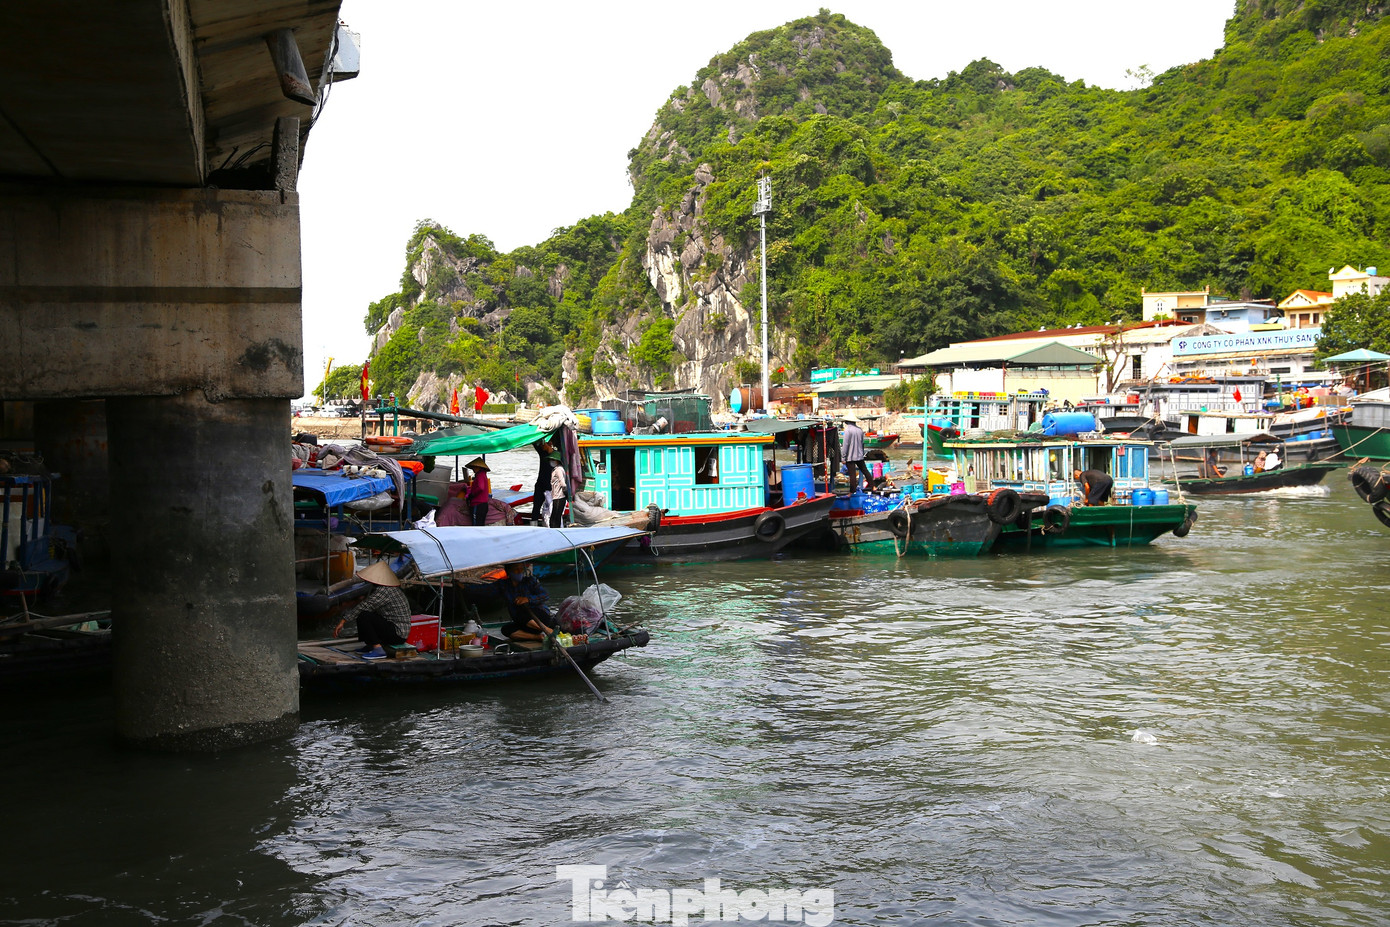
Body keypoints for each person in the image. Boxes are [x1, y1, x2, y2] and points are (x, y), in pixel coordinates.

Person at [333, 560, 411, 658]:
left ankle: (378, 649)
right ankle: (370, 644)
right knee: (366, 614)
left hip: (398, 634)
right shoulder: (386, 589)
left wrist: (343, 621)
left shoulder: (384, 591)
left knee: (364, 615)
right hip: (393, 627)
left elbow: (365, 606)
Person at [492, 561, 553, 641]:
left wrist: (528, 599)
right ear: (509, 571)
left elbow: (545, 595)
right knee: (506, 629)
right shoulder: (504, 585)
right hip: (523, 622)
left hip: (540, 617)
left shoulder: (530, 581)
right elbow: (485, 589)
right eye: (516, 569)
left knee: (521, 613)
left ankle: (547, 629)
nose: (519, 571)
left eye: (521, 568)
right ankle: (537, 637)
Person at [840, 412, 871, 493]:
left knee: (852, 475)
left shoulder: (848, 430)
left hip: (850, 457)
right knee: (865, 471)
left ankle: (852, 492)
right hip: (859, 455)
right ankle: (873, 486)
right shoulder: (860, 430)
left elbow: (845, 444)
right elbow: (862, 443)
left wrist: (843, 457)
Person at [529, 440, 556, 526]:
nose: (542, 445)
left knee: (551, 508)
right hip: (540, 485)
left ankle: (551, 525)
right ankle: (533, 526)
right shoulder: (542, 453)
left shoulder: (557, 455)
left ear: (550, 444)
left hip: (551, 486)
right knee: (536, 507)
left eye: (544, 444)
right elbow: (535, 443)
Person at [465, 457, 491, 526]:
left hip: (478, 504)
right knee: (480, 524)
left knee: (476, 525)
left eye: (474, 467)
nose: (473, 469)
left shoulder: (480, 475)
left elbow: (480, 487)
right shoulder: (482, 475)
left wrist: (472, 495)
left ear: (478, 467)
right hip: (481, 504)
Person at [548, 447, 569, 527]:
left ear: (556, 461)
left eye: (552, 460)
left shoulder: (558, 470)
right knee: (555, 517)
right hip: (557, 496)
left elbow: (563, 483)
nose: (551, 461)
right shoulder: (557, 469)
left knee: (555, 517)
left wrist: (565, 493)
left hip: (559, 496)